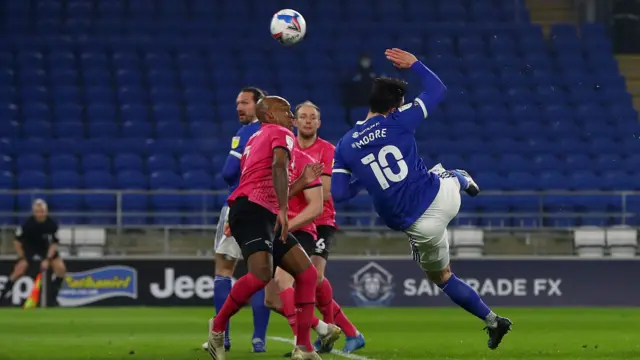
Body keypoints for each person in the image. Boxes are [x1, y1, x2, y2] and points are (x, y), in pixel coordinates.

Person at [330, 48, 513, 350]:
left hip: (420, 227)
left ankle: (492, 319)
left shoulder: (346, 145)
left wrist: (365, 178)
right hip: (444, 198)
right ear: (394, 107)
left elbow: (338, 194)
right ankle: (460, 178)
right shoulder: (400, 120)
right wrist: (415, 64)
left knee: (442, 278)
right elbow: (438, 89)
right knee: (438, 172)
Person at [207, 96, 322, 360]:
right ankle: (217, 326)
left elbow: (265, 183)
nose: (292, 117)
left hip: (256, 211)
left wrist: (302, 182)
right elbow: (278, 167)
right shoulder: (281, 133)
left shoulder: (256, 138)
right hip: (254, 212)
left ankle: (303, 347)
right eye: (287, 111)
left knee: (305, 274)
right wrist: (283, 209)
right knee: (261, 275)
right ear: (270, 114)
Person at [294, 101, 365, 354]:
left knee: (315, 277)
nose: (308, 121)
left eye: (313, 117)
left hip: (321, 219)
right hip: (298, 219)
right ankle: (345, 332)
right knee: (297, 281)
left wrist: (296, 186)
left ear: (319, 123)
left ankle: (334, 330)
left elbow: (324, 193)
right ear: (295, 121)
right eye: (303, 117)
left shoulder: (327, 150)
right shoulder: (288, 148)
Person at [205, 87, 271, 353]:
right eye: (237, 103)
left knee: (224, 271)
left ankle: (223, 336)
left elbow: (228, 171)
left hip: (238, 206)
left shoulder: (245, 133)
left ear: (259, 105)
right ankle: (259, 340)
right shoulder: (277, 132)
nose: (239, 108)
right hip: (267, 208)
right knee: (261, 274)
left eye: (244, 102)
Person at [263, 145, 342, 356]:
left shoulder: (308, 158)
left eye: (312, 116)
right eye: (302, 116)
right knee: (271, 300)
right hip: (276, 230)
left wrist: (289, 224)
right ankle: (324, 328)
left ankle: (301, 344)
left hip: (302, 229)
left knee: (289, 280)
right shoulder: (269, 159)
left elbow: (319, 201)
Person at [0, 199, 66, 307]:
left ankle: (52, 298)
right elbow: (17, 242)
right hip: (31, 249)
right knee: (19, 270)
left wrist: (48, 259)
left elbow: (54, 244)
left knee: (61, 269)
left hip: (46, 250)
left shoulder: (52, 224)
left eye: (42, 211)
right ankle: (3, 295)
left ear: (46, 211)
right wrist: (22, 257)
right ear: (34, 212)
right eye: (37, 211)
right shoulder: (28, 224)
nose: (39, 214)